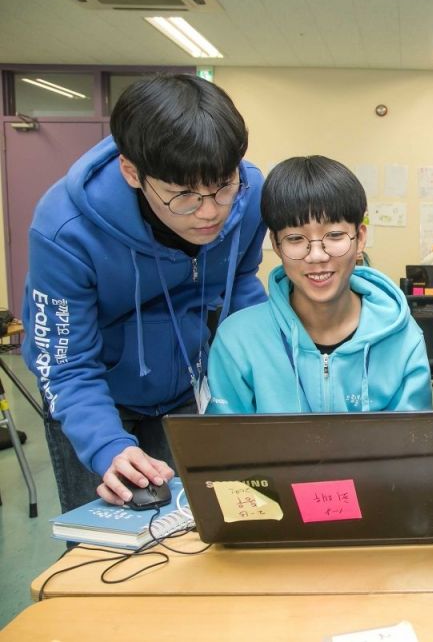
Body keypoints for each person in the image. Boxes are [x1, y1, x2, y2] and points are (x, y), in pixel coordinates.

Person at [23, 74, 266, 511]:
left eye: (223, 186)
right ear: (132, 172)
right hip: (95, 397)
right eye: (183, 196)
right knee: (109, 538)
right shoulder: (65, 230)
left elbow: (241, 283)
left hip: (187, 388)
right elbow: (65, 363)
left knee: (199, 523)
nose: (210, 213)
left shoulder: (250, 195)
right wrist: (106, 446)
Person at [207, 156, 431, 414]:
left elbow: (411, 436)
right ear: (276, 244)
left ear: (359, 238)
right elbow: (227, 438)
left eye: (334, 235)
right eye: (295, 238)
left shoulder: (402, 337)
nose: (316, 255)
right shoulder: (238, 339)